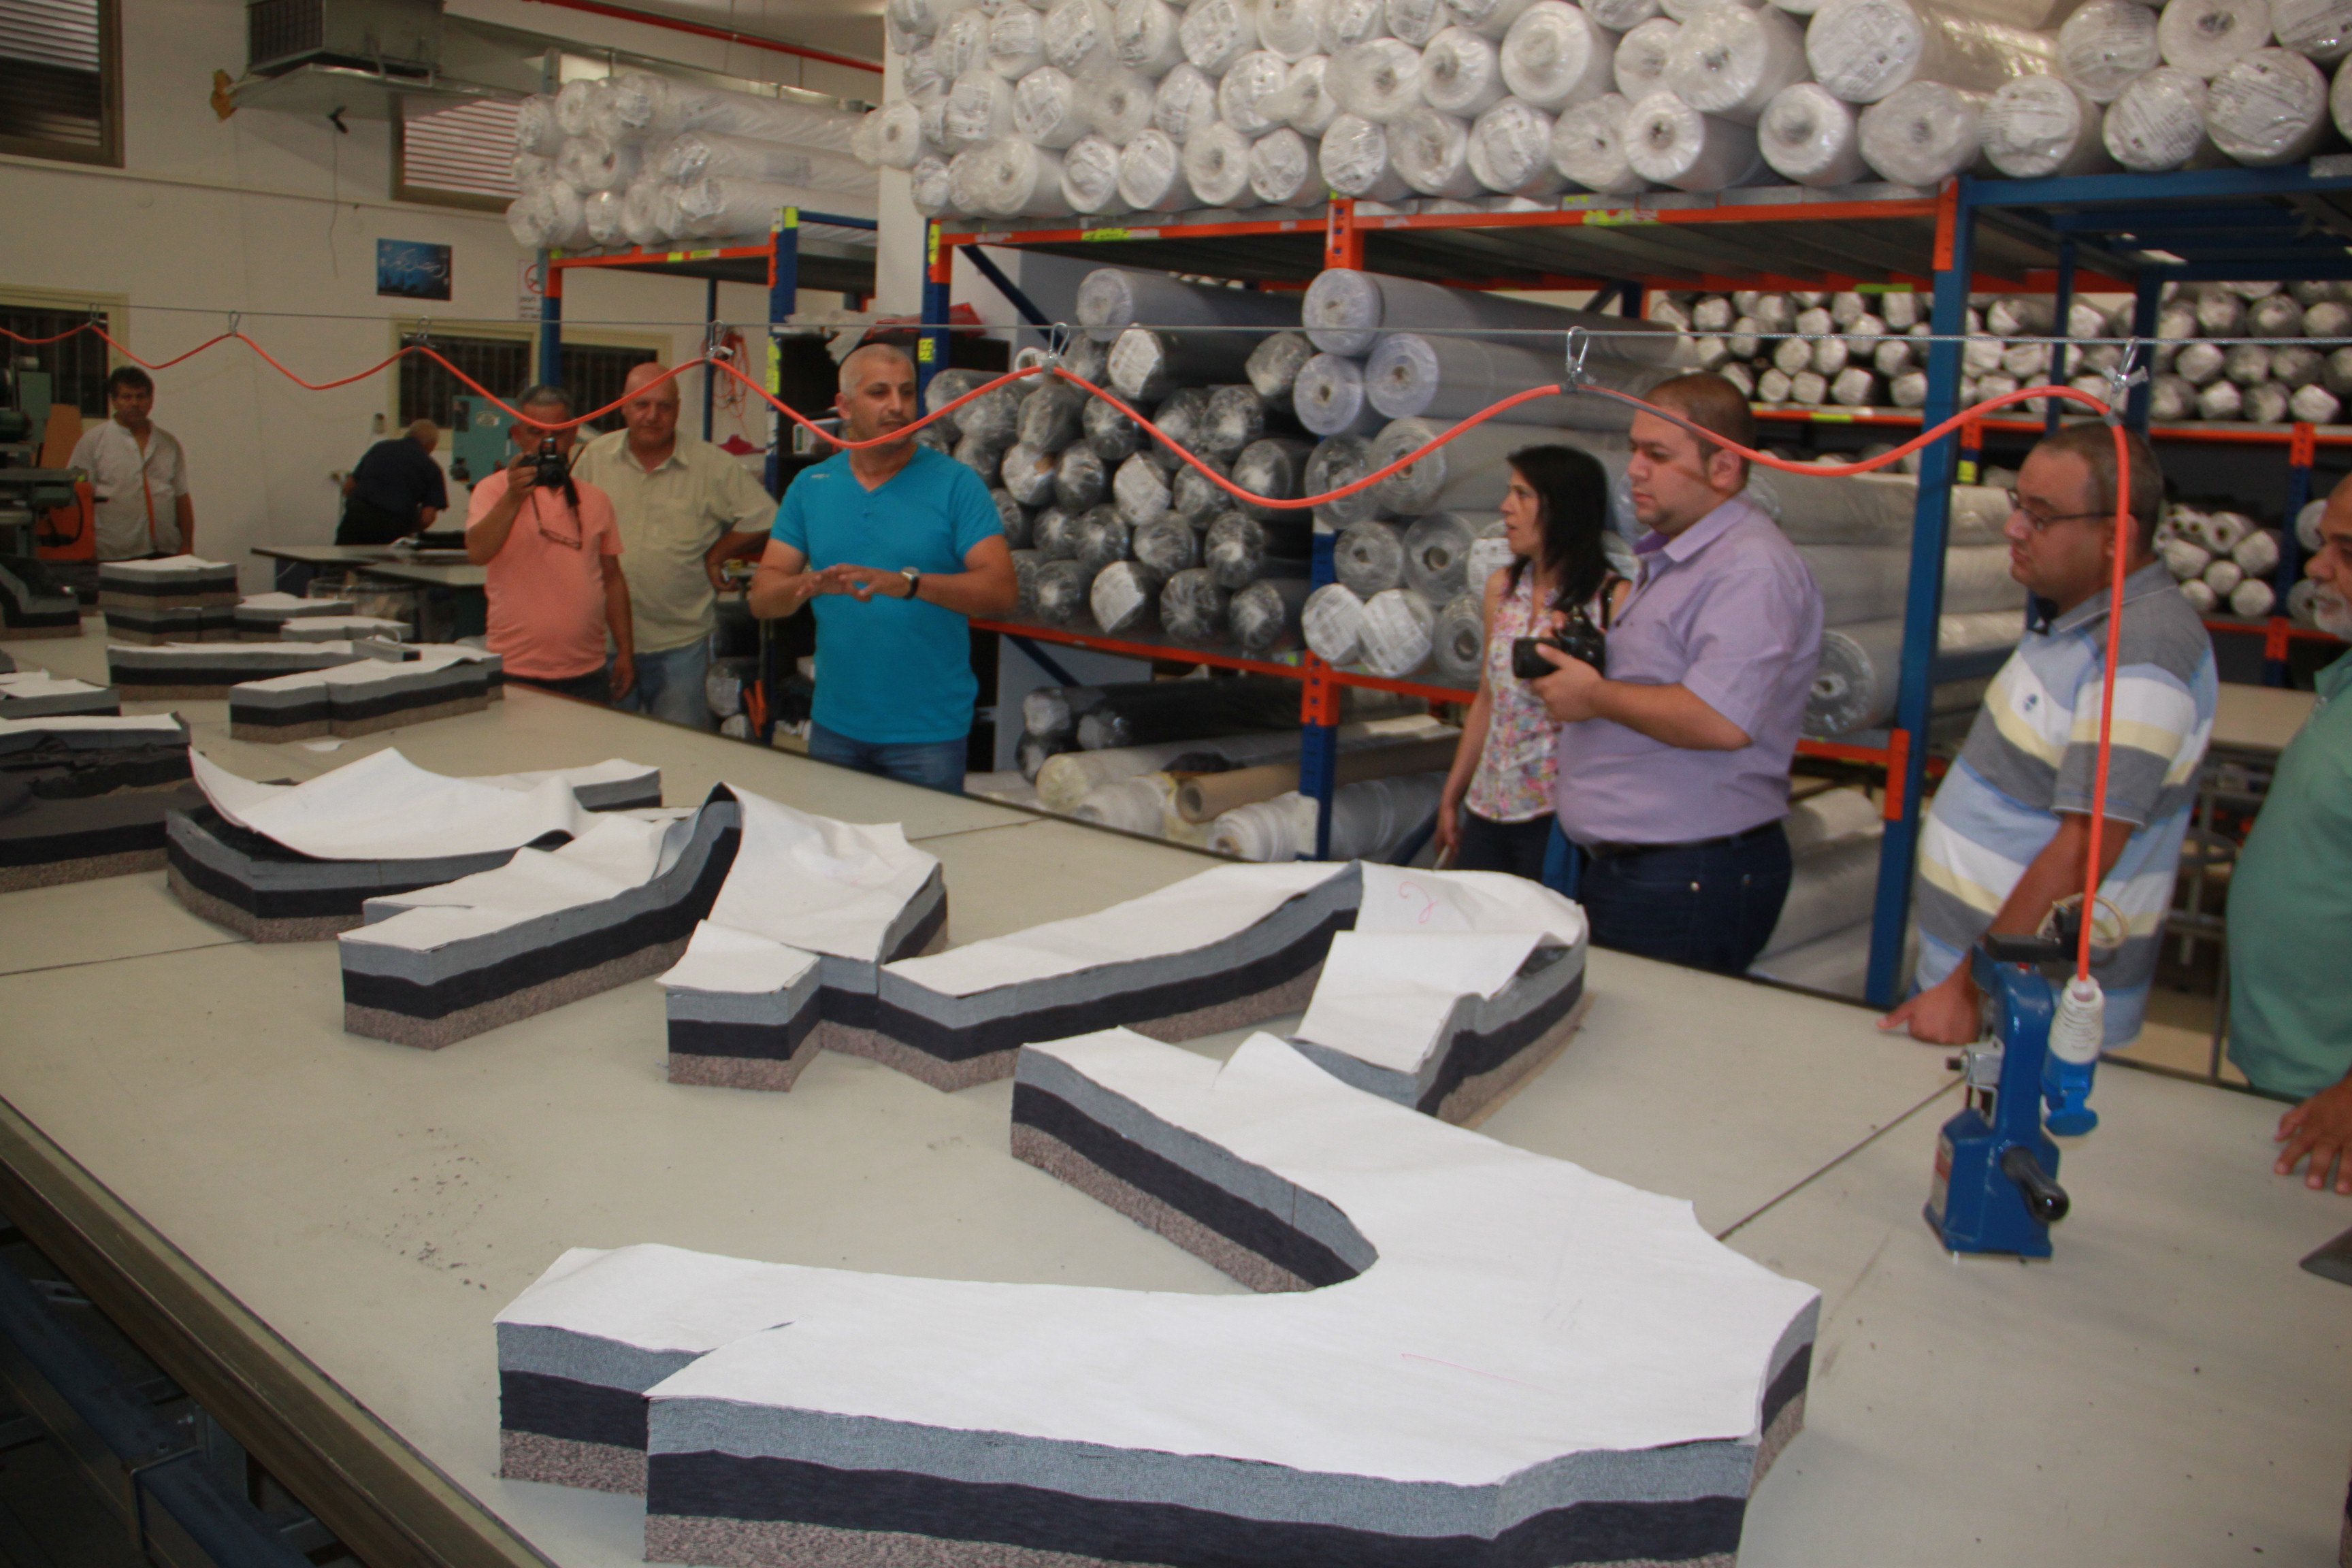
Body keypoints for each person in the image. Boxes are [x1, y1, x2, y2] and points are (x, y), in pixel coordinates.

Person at [1883, 423, 2216, 1047]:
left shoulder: (2141, 649)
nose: (2014, 529)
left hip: (2030, 1011)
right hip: (1994, 991)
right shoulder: (2080, 623)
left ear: (2116, 536)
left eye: (2041, 517)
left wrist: (1969, 989)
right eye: (2018, 505)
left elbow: (2086, 849)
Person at [1528, 372, 1824, 975]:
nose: (1635, 470)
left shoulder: (1748, 569)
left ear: (1724, 468)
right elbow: (1662, 677)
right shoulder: (1681, 557)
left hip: (1686, 876)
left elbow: (1719, 721)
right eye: (1634, 450)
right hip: (1648, 868)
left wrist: (1595, 696)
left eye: (1658, 456)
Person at [747, 343, 1017, 794]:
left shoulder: (956, 484)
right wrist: (807, 585)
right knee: (836, 841)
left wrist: (909, 584)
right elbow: (761, 600)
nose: (897, 406)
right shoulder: (811, 486)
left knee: (924, 841)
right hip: (835, 727)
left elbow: (1002, 591)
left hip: (928, 735)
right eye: (879, 393)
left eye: (906, 393)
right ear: (844, 406)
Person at [2227, 480, 2352, 1192]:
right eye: (2324, 544)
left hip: (2333, 1104)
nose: (2318, 568)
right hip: (2295, 1070)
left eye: (2348, 552)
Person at [1436, 446, 1627, 879]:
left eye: (1523, 495)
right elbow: (1488, 699)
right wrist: (1452, 796)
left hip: (1555, 815)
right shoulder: (1503, 589)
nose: (1506, 507)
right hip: (1488, 806)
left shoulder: (1611, 599)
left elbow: (1620, 711)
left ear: (1564, 508)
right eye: (1510, 493)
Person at [572, 363, 775, 730]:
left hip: (680, 645)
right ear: (623, 405)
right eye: (642, 404)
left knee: (682, 752)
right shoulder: (593, 459)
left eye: (664, 406)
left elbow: (765, 516)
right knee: (608, 751)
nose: (653, 416)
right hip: (603, 643)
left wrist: (718, 555)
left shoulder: (711, 465)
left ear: (678, 410)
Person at [465, 387, 636, 704]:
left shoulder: (596, 499)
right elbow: (478, 552)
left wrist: (625, 651)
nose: (549, 443)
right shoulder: (492, 491)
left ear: (573, 435)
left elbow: (612, 579)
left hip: (588, 672)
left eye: (558, 433)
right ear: (517, 436)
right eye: (536, 432)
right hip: (515, 671)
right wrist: (513, 497)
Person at [68, 365, 193, 561]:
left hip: (165, 550)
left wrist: (186, 544)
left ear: (151, 400)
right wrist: (83, 548)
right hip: (112, 552)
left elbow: (181, 497)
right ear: (114, 401)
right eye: (127, 397)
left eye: (141, 397)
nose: (134, 403)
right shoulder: (93, 441)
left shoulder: (168, 444)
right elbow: (77, 498)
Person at [338, 419, 448, 545]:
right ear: (432, 444)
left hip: (355, 520)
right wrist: (406, 530)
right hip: (392, 528)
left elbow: (349, 487)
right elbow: (426, 518)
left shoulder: (380, 448)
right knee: (384, 559)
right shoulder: (432, 468)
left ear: (408, 434)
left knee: (343, 557)